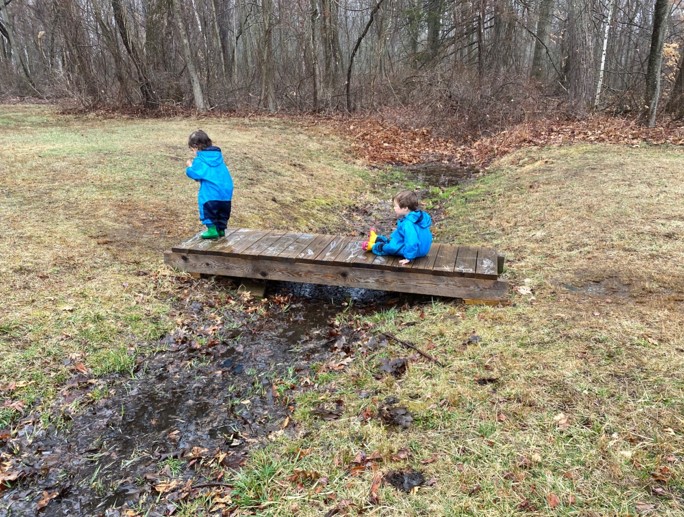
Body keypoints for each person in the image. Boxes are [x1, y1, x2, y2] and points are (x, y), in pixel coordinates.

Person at [185, 130, 234, 239]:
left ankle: (212, 230)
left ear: (195, 146)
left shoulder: (200, 159)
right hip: (226, 191)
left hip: (210, 192)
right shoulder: (218, 157)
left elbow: (194, 174)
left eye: (192, 149)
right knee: (222, 210)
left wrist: (189, 166)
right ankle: (221, 230)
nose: (193, 151)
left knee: (208, 208)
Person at [362, 190, 433, 265]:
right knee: (395, 239)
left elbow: (412, 242)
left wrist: (409, 257)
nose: (394, 208)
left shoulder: (408, 224)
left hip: (416, 251)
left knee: (392, 247)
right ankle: (376, 238)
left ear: (405, 208)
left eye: (396, 206)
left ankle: (374, 246)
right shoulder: (417, 217)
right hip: (423, 248)